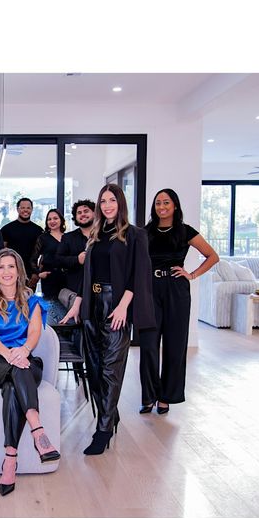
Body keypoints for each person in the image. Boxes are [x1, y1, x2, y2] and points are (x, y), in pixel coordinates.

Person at [60, 184, 154, 455]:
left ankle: (102, 432)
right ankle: (110, 415)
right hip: (92, 305)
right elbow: (87, 274)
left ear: (120, 203)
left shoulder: (135, 235)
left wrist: (124, 306)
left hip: (117, 305)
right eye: (103, 201)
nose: (107, 205)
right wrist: (78, 304)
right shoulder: (96, 234)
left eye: (112, 200)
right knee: (94, 368)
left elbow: (138, 274)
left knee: (111, 370)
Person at [0, 248, 60, 496]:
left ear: (19, 271)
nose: (6, 272)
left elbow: (34, 333)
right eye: (1, 267)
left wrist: (23, 350)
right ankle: (38, 429)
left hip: (25, 360)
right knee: (16, 370)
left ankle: (10, 459)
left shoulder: (33, 301)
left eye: (11, 266)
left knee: (13, 386)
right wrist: (10, 354)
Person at [138, 188, 219, 415]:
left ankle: (166, 397)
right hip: (150, 290)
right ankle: (149, 396)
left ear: (175, 205)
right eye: (158, 203)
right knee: (148, 345)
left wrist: (191, 275)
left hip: (176, 290)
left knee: (175, 345)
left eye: (166, 202)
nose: (161, 207)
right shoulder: (145, 232)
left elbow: (213, 256)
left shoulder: (185, 231)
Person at [52, 199, 96, 301]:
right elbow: (57, 260)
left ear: (94, 213)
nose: (83, 214)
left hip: (99, 290)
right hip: (75, 291)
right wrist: (77, 260)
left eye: (86, 211)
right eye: (79, 213)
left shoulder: (104, 236)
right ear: (75, 217)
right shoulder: (68, 238)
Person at [29, 208, 67, 298]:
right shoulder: (43, 238)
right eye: (49, 219)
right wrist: (39, 273)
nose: (52, 221)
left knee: (67, 302)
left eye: (55, 218)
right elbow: (33, 259)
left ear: (61, 220)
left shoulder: (68, 237)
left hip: (66, 277)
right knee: (50, 304)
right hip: (49, 277)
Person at [0, 197, 42, 276]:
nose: (25, 210)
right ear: (17, 209)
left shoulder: (38, 230)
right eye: (22, 208)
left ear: (32, 209)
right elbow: (1, 253)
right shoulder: (6, 229)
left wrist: (37, 274)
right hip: (11, 272)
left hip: (31, 274)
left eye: (28, 208)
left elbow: (43, 255)